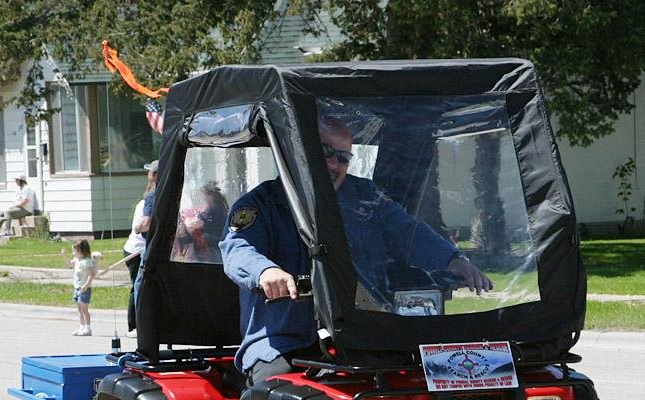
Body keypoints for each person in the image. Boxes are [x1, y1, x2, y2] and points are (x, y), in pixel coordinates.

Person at [220, 116, 493, 385]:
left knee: (423, 385)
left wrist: (454, 260)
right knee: (278, 395)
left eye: (342, 158)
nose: (333, 164)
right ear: (300, 151)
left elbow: (407, 231)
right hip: (285, 343)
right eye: (325, 153)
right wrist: (265, 272)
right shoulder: (262, 204)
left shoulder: (365, 197)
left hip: (365, 336)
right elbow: (238, 249)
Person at [123, 164, 158, 337]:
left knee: (145, 287)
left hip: (148, 248)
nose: (147, 174)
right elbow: (145, 225)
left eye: (149, 171)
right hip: (135, 250)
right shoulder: (148, 200)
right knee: (138, 287)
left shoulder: (156, 196)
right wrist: (137, 228)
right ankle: (135, 325)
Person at [174, 182, 229, 263]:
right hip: (215, 247)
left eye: (203, 195)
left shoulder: (213, 209)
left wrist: (186, 222)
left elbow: (195, 224)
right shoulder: (222, 208)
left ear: (210, 196)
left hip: (210, 249)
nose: (202, 198)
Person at [61, 239, 98, 336]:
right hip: (77, 288)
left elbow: (91, 274)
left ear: (81, 251)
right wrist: (63, 255)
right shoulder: (77, 260)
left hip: (84, 288)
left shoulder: (86, 262)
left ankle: (88, 328)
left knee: (84, 309)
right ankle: (81, 327)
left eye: (74, 251)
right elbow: (69, 264)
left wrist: (86, 285)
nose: (73, 253)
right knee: (79, 309)